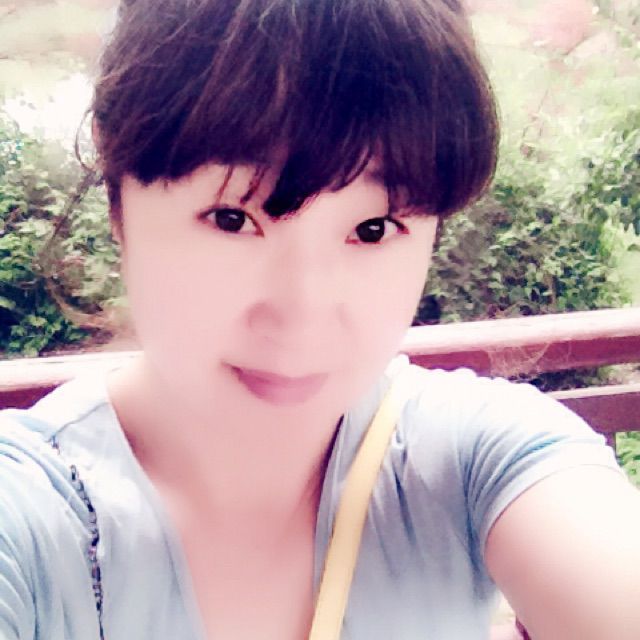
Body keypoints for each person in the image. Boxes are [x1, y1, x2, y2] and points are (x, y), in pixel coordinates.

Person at [1, 1, 639, 639]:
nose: (301, 319)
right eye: (232, 218)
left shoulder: (476, 457)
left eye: (373, 229)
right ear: (118, 195)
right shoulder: (27, 513)